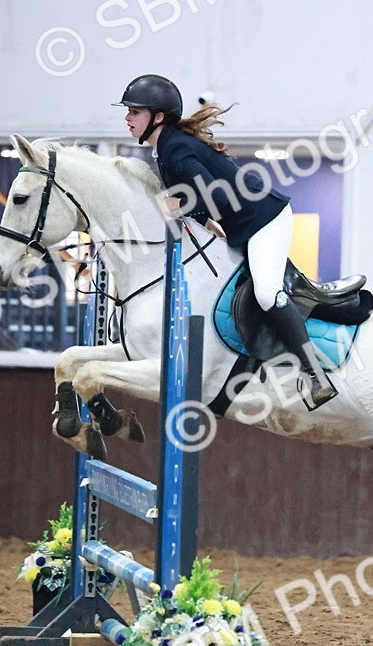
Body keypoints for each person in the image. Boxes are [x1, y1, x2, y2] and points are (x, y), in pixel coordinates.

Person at [114, 74, 337, 409]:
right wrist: (205, 220)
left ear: (157, 117)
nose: (127, 118)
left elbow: (209, 190)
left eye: (135, 111)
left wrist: (182, 205)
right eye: (128, 112)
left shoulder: (174, 148)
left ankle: (316, 374)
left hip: (267, 219)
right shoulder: (164, 148)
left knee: (266, 293)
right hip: (246, 223)